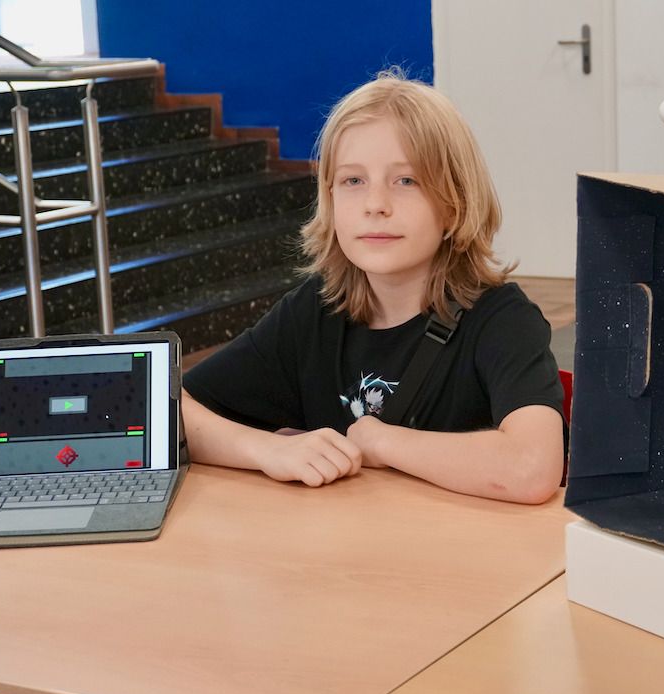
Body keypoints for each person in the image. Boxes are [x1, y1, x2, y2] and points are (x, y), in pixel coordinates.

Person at [181, 71, 564, 505]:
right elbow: (172, 412)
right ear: (330, 200)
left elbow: (532, 468)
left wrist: (381, 441)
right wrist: (268, 450)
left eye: (407, 181)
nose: (375, 204)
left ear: (455, 204)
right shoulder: (312, 312)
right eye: (353, 181)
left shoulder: (503, 320)